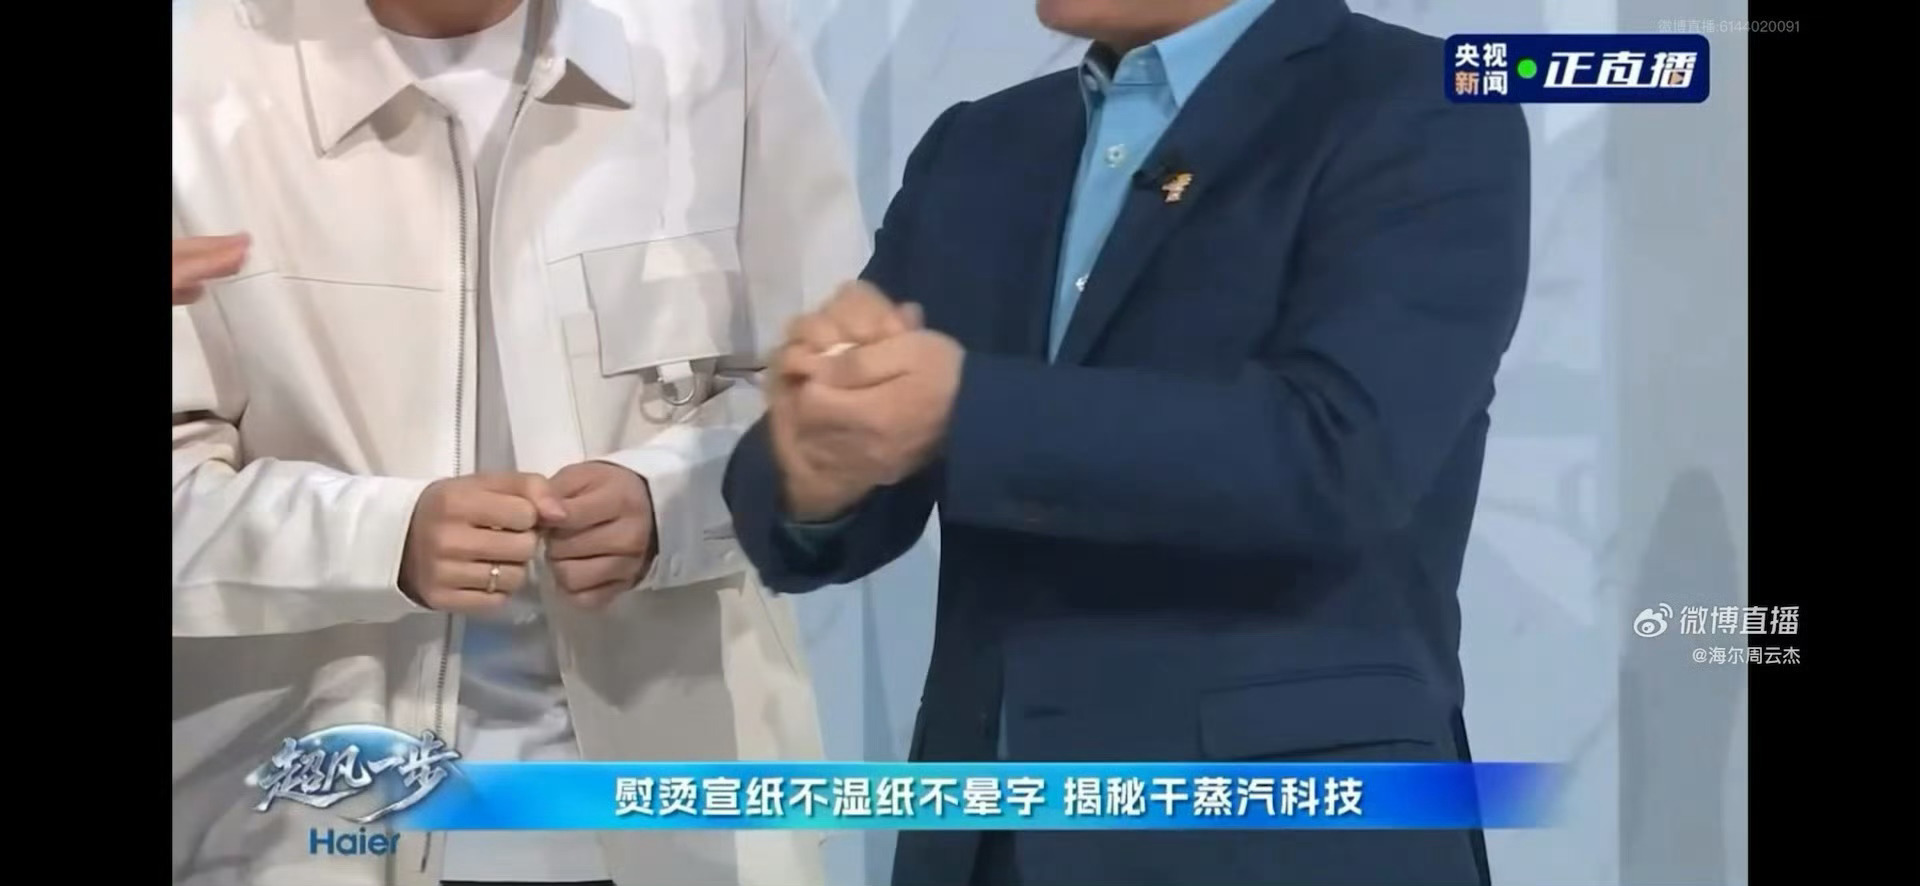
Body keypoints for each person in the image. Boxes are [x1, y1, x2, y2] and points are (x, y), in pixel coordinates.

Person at [724, 0, 1530, 884]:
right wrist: (816, 463)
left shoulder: (1418, 104)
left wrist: (966, 410)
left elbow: (1340, 453)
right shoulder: (981, 146)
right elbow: (810, 491)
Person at [170, 1, 865, 884]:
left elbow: (840, 403)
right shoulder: (200, 84)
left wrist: (672, 505)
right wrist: (383, 539)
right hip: (302, 830)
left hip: (683, 812)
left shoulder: (715, 46)